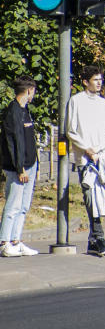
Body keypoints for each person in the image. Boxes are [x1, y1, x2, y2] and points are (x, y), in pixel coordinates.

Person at [67, 66, 105, 256]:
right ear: (85, 82)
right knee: (90, 197)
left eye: (100, 79)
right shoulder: (76, 101)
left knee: (102, 198)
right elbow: (71, 130)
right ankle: (99, 236)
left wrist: (97, 149)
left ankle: (93, 240)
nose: (99, 83)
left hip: (101, 157)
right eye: (95, 79)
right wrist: (88, 149)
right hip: (85, 159)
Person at [1, 76, 40, 256]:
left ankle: (16, 241)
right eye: (34, 90)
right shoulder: (13, 112)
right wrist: (20, 168)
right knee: (13, 206)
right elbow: (14, 141)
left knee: (23, 206)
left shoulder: (25, 110)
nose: (35, 93)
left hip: (29, 165)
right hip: (19, 168)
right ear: (29, 90)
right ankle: (4, 243)